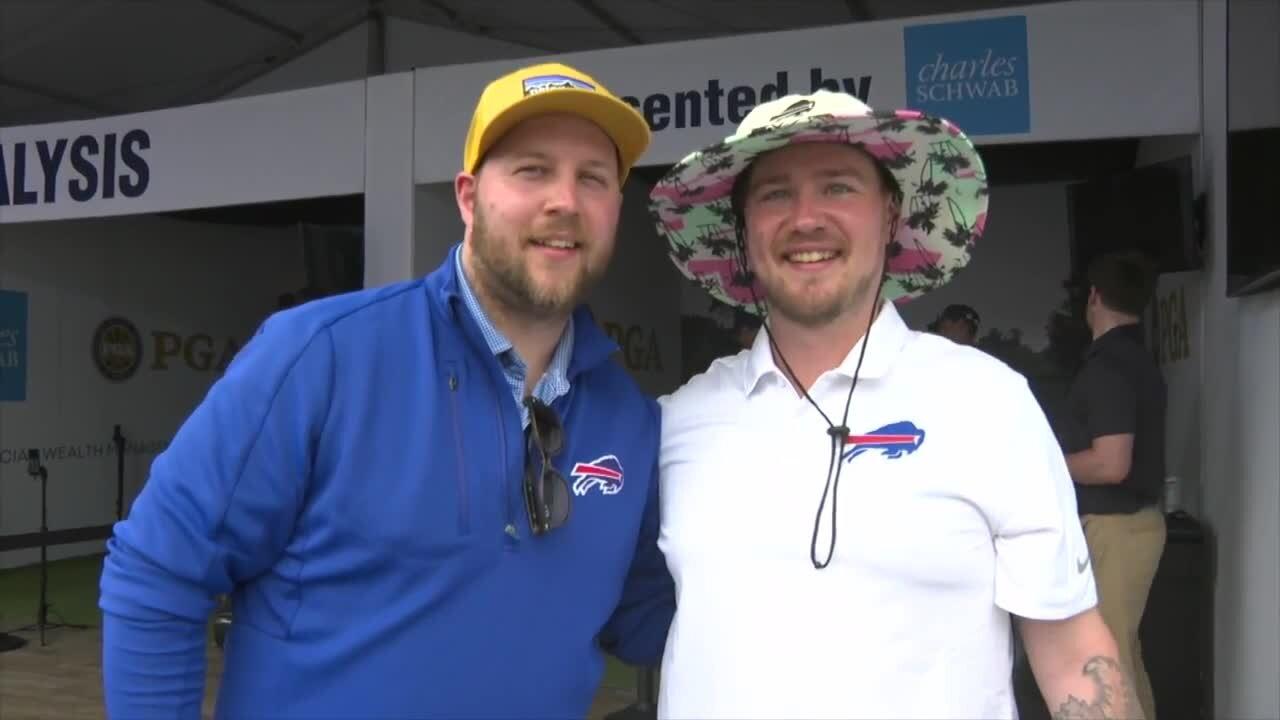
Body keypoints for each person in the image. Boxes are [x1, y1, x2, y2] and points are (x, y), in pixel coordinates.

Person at [99, 61, 674, 719]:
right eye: (532, 170)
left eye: (592, 179)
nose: (564, 201)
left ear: (615, 212)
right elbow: (157, 573)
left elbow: (645, 616)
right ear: (467, 197)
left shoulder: (629, 419)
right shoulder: (321, 356)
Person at [647, 89, 1143, 719]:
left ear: (889, 215)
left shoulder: (989, 403)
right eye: (775, 193)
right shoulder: (678, 423)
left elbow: (1072, 653)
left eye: (838, 187)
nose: (806, 218)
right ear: (743, 229)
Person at [1062, 250, 1167, 720]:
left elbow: (1110, 464)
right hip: (1129, 528)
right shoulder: (1135, 358)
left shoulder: (1108, 367)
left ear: (1095, 297)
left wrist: (1049, 464)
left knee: (1103, 665)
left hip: (1115, 530)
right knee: (1122, 658)